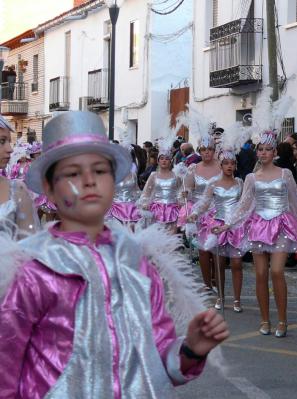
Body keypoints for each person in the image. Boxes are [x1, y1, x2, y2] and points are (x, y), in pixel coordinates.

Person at [0, 111, 228, 397]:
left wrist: (190, 350)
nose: (88, 180)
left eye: (99, 170)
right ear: (49, 188)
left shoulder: (136, 260)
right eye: (72, 173)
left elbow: (158, 358)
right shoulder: (33, 269)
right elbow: (5, 368)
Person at [216, 90, 297, 338]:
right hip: (258, 226)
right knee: (259, 274)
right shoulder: (250, 178)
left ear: (275, 152)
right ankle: (265, 319)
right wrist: (227, 224)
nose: (264, 153)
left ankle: (282, 319)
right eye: (261, 149)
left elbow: (296, 201)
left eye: (268, 149)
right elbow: (244, 205)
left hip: (280, 224)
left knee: (277, 271)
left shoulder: (284, 174)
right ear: (257, 152)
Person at [194, 133, 248, 313]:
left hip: (235, 227)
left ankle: (238, 299)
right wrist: (193, 213)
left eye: (232, 164)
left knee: (236, 264)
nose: (229, 167)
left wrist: (241, 221)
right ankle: (221, 297)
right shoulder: (213, 184)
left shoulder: (240, 183)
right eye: (226, 163)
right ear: (221, 165)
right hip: (218, 226)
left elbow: (244, 205)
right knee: (219, 263)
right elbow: (204, 203)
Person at [178, 124, 221, 290]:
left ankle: (217, 279)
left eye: (209, 149)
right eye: (203, 150)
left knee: (216, 250)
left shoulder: (222, 166)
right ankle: (206, 283)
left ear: (214, 150)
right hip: (199, 214)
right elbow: (187, 187)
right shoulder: (193, 168)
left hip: (218, 212)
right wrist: (185, 194)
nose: (206, 152)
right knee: (203, 250)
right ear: (199, 151)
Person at [0, 116, 39, 239]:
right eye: (1, 142)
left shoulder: (17, 191)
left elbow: (30, 247)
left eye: (9, 142)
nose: (10, 149)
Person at [138, 136, 182, 232]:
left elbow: (180, 191)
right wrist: (145, 203)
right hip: (156, 210)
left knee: (171, 240)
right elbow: (146, 192)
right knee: (157, 238)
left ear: (171, 161)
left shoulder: (176, 176)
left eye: (167, 159)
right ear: (158, 161)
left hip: (172, 210)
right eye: (161, 158)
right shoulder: (154, 175)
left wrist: (181, 201)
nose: (164, 161)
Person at [106, 135, 142, 226]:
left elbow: (136, 190)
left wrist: (143, 199)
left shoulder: (133, 173)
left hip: (131, 209)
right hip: (115, 208)